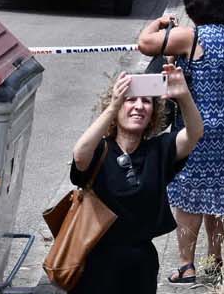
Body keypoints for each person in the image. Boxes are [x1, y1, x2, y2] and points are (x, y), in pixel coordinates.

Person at [136, 0, 224, 287]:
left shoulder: (192, 36)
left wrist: (159, 23)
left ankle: (186, 266)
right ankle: (215, 260)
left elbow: (146, 44)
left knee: (189, 196)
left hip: (199, 126)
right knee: (219, 193)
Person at [67, 63, 201, 294]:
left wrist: (184, 96)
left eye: (146, 101)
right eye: (131, 100)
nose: (139, 106)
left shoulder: (159, 150)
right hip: (95, 262)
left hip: (140, 266)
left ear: (153, 114)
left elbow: (194, 134)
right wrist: (112, 106)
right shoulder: (100, 150)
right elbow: (79, 155)